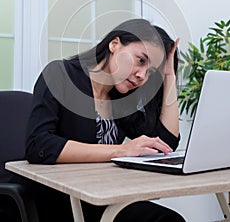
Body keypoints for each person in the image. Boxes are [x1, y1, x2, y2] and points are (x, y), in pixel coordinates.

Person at [24, 18, 185, 222]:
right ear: (114, 44)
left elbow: (166, 143)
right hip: (64, 200)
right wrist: (121, 151)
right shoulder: (60, 74)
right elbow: (39, 145)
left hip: (105, 199)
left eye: (150, 72)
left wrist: (169, 74)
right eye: (141, 60)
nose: (142, 76)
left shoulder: (121, 100)